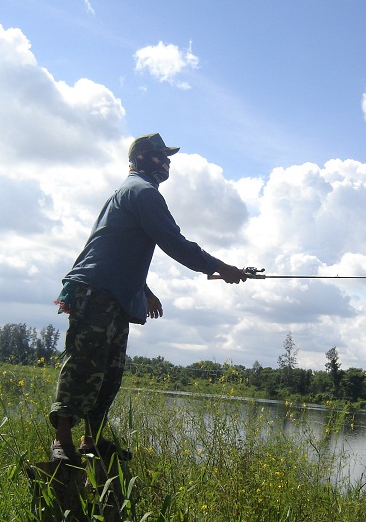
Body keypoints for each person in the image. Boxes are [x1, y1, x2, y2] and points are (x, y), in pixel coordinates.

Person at [49, 133, 247, 464]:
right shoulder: (143, 193)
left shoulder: (132, 192)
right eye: (161, 157)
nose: (167, 163)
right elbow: (174, 242)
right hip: (96, 292)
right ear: (143, 158)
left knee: (108, 374)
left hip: (113, 294)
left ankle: (91, 441)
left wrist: (144, 289)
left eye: (168, 158)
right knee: (84, 365)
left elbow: (121, 248)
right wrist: (221, 267)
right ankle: (61, 441)